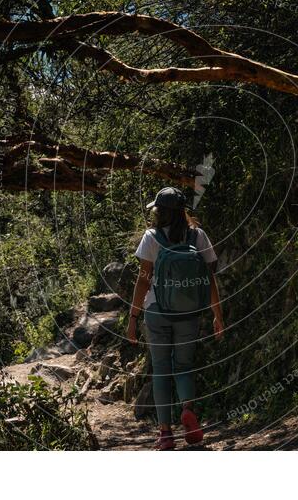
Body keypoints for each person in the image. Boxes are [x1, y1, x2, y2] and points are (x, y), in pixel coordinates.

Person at [127, 186, 225, 450]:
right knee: (184, 366)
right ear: (183, 211)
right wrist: (218, 314)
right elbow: (209, 278)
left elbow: (143, 281)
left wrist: (133, 317)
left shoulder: (151, 237)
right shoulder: (198, 236)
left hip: (157, 311)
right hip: (188, 313)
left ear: (159, 211)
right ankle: (188, 410)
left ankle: (165, 433)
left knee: (161, 370)